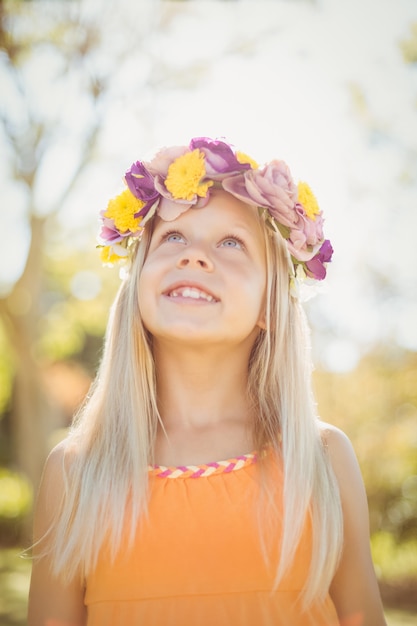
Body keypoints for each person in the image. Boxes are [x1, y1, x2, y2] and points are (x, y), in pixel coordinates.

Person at [28, 137, 387, 626]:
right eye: (173, 236)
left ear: (269, 306)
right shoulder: (75, 473)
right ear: (136, 282)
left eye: (231, 242)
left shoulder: (322, 459)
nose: (194, 256)